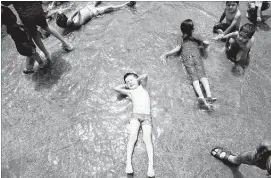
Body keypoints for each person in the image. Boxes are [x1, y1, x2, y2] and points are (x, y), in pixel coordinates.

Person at [160, 19, 217, 110]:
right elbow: (206, 42)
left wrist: (166, 54)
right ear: (193, 29)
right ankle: (209, 95)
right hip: (197, 56)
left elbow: (178, 49)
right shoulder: (195, 35)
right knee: (202, 75)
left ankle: (201, 96)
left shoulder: (180, 37)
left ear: (181, 30)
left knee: (193, 76)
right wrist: (204, 49)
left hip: (187, 58)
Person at [114, 73, 155, 177]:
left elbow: (145, 75)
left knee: (147, 139)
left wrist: (136, 81)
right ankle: (128, 163)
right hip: (135, 116)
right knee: (132, 137)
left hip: (147, 117)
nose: (130, 82)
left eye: (131, 80)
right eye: (127, 82)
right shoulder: (130, 92)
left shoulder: (143, 86)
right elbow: (116, 88)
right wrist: (127, 85)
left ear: (137, 80)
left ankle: (151, 165)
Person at [1, 1, 74, 60]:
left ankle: (47, 54)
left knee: (35, 35)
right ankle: (66, 44)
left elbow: (5, 3)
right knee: (46, 26)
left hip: (26, 16)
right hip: (37, 10)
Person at [1, 6, 48, 74]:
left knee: (29, 53)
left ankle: (29, 67)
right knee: (32, 53)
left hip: (20, 44)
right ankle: (41, 64)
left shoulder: (10, 27)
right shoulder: (17, 28)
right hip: (24, 43)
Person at [55, 1, 136, 29]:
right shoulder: (74, 23)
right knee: (111, 7)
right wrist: (71, 17)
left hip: (88, 7)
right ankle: (127, 4)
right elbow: (77, 10)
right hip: (94, 12)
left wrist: (60, 12)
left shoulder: (70, 23)